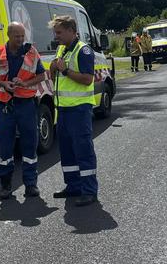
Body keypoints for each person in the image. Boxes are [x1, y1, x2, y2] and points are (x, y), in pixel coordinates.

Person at [0, 23, 45, 200]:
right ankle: (6, 185)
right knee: (5, 146)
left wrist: (25, 84)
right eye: (16, 36)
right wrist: (3, 84)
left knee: (29, 144)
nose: (20, 39)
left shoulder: (31, 52)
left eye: (22, 36)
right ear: (9, 35)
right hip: (5, 104)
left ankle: (31, 184)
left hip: (26, 103)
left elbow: (41, 75)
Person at [49, 15, 99, 207]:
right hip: (63, 109)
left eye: (59, 32)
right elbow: (52, 75)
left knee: (83, 150)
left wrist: (64, 71)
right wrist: (53, 68)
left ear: (71, 30)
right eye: (55, 32)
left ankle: (89, 190)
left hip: (79, 109)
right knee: (67, 150)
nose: (56, 36)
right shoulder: (62, 49)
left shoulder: (83, 50)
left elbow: (87, 79)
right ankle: (73, 186)